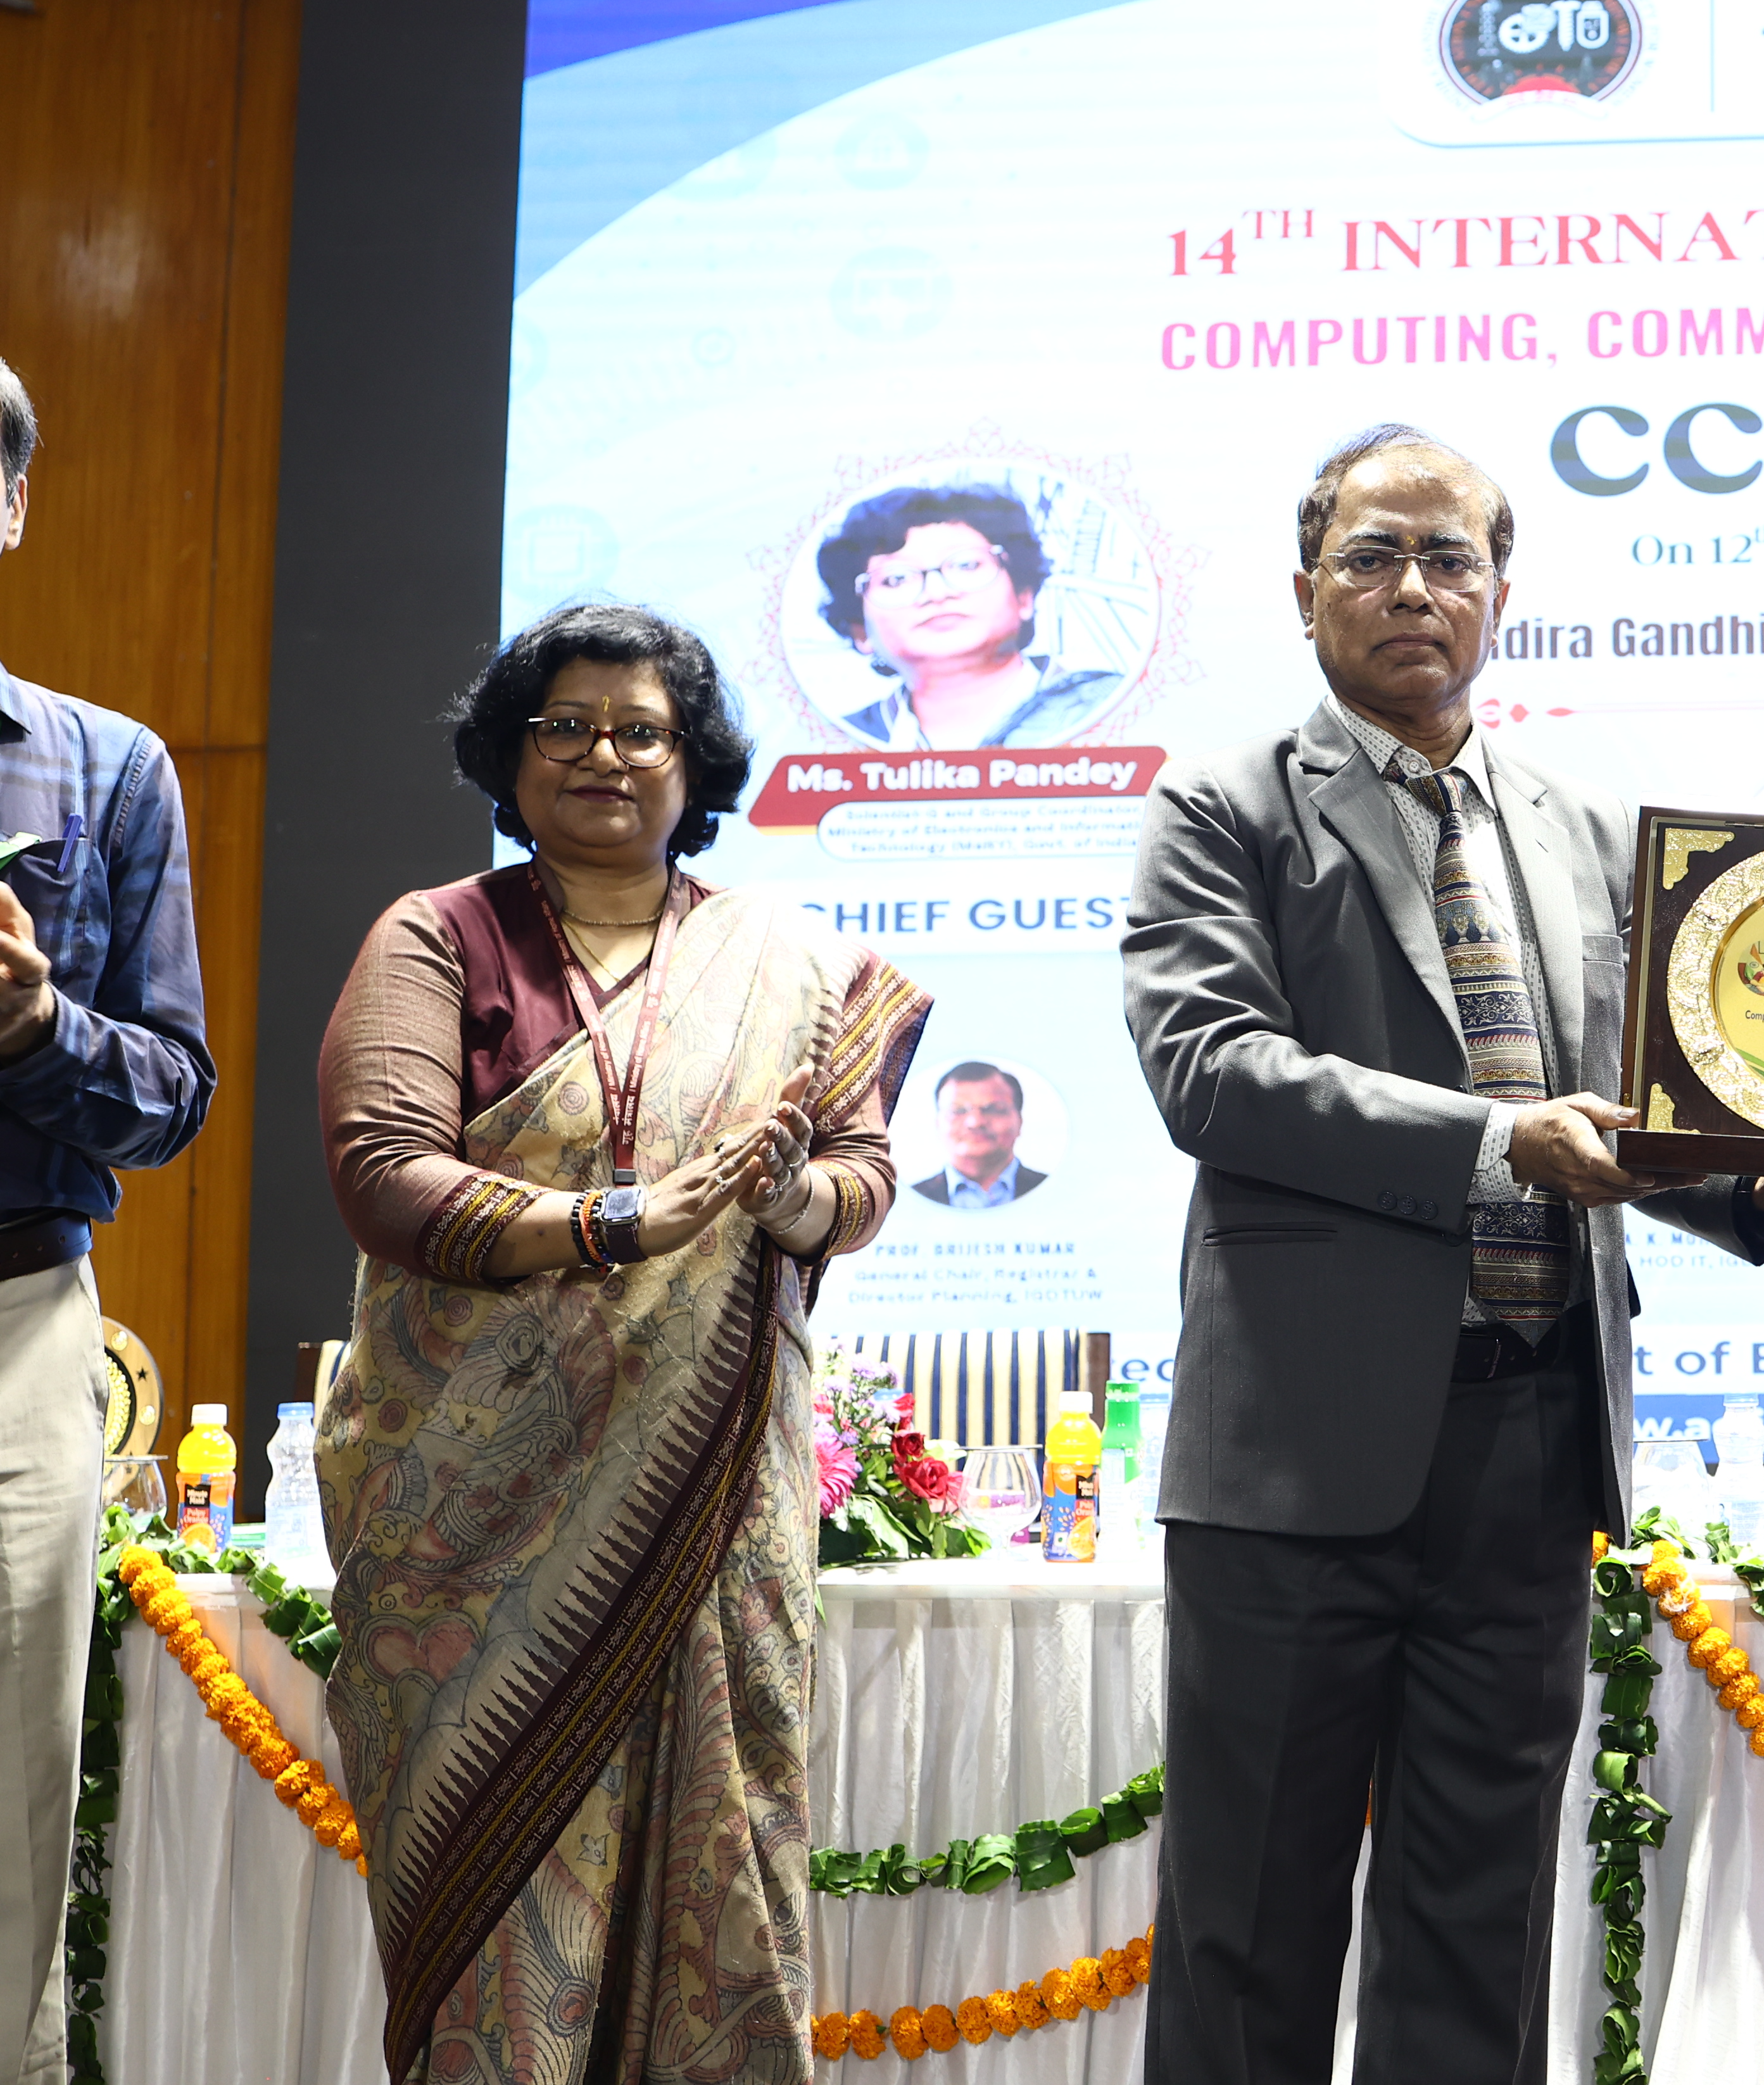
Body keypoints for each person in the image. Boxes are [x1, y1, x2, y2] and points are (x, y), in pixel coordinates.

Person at [1123, 425, 1764, 2084]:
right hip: (1297, 1464)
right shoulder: (1228, 806)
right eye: (1372, 557)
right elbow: (1213, 1072)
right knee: (1249, 1937)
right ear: (1303, 591)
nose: (1414, 590)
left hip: (1531, 1439)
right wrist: (1495, 1142)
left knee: (1477, 1930)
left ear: (1502, 593)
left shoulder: (1582, 826)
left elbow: (1647, 1109)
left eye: (1451, 561)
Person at [313, 604, 929, 2084]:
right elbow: (387, 1173)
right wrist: (611, 1221)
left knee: (724, 1863)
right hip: (471, 1530)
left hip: (714, 1517)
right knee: (488, 1893)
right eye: (565, 725)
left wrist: (790, 1196)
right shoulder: (439, 934)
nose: (602, 753)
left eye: (639, 727)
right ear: (510, 756)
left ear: (692, 760)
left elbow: (862, 1178)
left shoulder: (793, 961)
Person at [0, 359, 213, 2085]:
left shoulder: (109, 767)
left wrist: (33, 1023)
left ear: (7, 511)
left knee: (9, 1777)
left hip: (17, 1321)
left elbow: (171, 1091)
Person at [812, 481, 1124, 749]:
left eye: (966, 566)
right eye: (896, 579)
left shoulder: (1111, 704)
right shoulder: (838, 742)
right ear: (860, 631)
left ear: (1023, 596)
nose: (937, 593)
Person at [909, 1059, 1047, 1206]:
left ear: (1019, 1122)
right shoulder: (904, 1201)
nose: (975, 1122)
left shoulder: (1056, 1191)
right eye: (958, 1111)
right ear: (938, 1124)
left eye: (994, 1109)